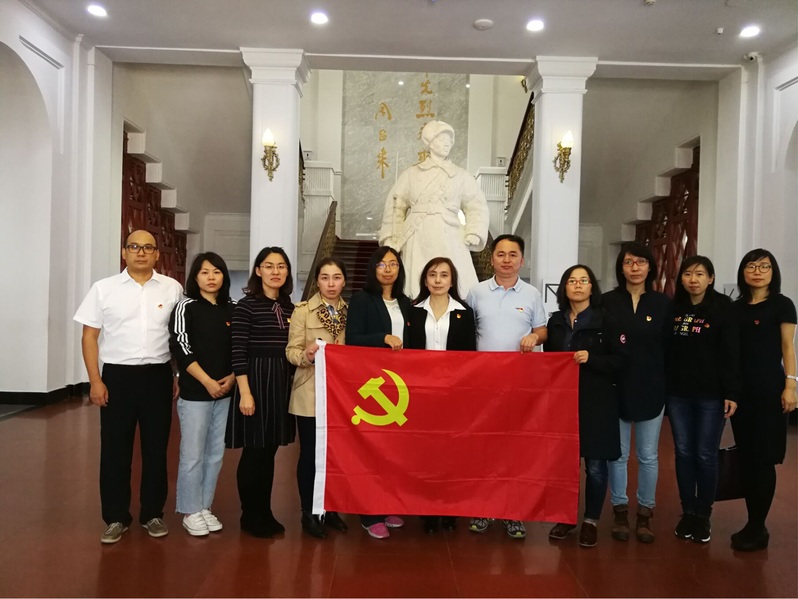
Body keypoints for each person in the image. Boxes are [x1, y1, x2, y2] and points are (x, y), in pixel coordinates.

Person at [74, 230, 183, 544]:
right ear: (124, 252)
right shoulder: (104, 289)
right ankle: (115, 517)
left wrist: (175, 375)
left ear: (157, 254)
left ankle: (152, 514)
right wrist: (95, 380)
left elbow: (179, 335)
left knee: (156, 450)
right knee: (114, 451)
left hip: (158, 376)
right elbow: (89, 337)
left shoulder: (172, 288)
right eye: (134, 246)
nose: (141, 252)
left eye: (148, 247)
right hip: (117, 378)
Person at [465, 233, 548, 540]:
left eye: (513, 255)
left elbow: (542, 330)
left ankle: (513, 513)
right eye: (501, 254)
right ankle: (484, 507)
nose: (507, 260)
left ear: (521, 260)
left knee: (515, 449)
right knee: (485, 448)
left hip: (519, 385)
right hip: (483, 385)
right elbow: (466, 330)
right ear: (492, 259)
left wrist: (535, 337)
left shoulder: (532, 294)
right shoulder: (476, 292)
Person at [544, 265, 624, 548]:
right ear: (564, 288)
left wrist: (593, 359)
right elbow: (549, 363)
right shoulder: (556, 321)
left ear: (592, 287)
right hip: (562, 403)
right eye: (571, 281)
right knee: (564, 466)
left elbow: (621, 360)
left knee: (596, 466)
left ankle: (591, 521)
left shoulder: (607, 320)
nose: (577, 285)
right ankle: (566, 518)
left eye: (583, 280)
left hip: (597, 401)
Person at [666, 255, 740, 544]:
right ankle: (688, 511)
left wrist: (732, 392)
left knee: (706, 454)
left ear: (710, 278)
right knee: (684, 452)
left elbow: (731, 353)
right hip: (678, 394)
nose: (693, 279)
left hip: (711, 395)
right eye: (688, 274)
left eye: (700, 274)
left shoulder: (723, 308)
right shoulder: (674, 308)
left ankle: (703, 514)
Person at [602, 242, 671, 543]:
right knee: (617, 455)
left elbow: (669, 348)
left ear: (650, 267)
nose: (635, 268)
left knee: (648, 455)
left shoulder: (662, 303)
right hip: (615, 386)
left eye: (641, 262)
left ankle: (645, 513)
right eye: (629, 262)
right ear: (621, 267)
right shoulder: (607, 301)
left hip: (651, 386)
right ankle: (619, 510)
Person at [226, 247, 296, 538]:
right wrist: (245, 392)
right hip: (254, 382)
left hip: (280, 383)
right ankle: (250, 515)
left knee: (269, 452)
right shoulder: (246, 306)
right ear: (258, 271)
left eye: (281, 266)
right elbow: (238, 351)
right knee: (254, 452)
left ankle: (265, 512)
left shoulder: (292, 308)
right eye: (268, 266)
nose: (275, 271)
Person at [730, 249, 797, 551]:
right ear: (743, 272)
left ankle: (759, 526)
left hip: (770, 390)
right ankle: (752, 522)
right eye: (751, 266)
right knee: (746, 458)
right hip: (742, 393)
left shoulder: (782, 305)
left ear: (773, 272)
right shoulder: (735, 308)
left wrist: (791, 385)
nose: (757, 272)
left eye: (764, 267)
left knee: (764, 458)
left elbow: (788, 347)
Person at [379, 120, 489, 299]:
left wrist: (474, 231)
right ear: (429, 143)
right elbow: (395, 205)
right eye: (442, 139)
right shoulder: (411, 174)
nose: (447, 143)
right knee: (415, 284)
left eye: (449, 140)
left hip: (449, 235)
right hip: (418, 235)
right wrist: (391, 237)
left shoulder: (461, 176)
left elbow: (476, 205)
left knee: (454, 282)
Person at [405, 257, 477, 534]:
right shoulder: (414, 311)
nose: (438, 280)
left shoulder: (464, 312)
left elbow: (469, 356)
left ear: (452, 280)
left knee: (451, 452)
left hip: (453, 394)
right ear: (425, 280)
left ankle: (449, 507)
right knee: (425, 452)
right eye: (433, 274)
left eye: (444, 275)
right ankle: (427, 508)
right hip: (421, 394)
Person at [345, 246, 411, 539]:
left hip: (403, 385)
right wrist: (382, 337)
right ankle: (369, 513)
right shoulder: (362, 299)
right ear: (373, 268)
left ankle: (387, 505)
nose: (388, 269)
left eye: (393, 264)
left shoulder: (406, 302)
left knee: (394, 453)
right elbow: (353, 338)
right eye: (382, 264)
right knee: (371, 451)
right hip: (373, 384)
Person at [169, 252, 236, 536]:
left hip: (225, 393)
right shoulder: (185, 307)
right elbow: (181, 347)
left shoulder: (232, 308)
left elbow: (240, 347)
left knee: (215, 454)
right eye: (205, 272)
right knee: (192, 455)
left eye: (216, 272)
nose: (211, 277)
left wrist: (232, 377)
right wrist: (207, 381)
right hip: (196, 393)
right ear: (195, 276)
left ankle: (204, 506)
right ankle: (190, 510)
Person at [285, 257, 350, 539]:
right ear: (317, 281)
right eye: (325, 278)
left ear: (344, 281)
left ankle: (330, 508)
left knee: (336, 455)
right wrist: (307, 355)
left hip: (341, 396)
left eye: (336, 278)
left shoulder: (350, 311)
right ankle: (309, 512)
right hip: (310, 392)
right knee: (311, 454)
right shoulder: (303, 311)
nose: (331, 284)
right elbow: (291, 352)